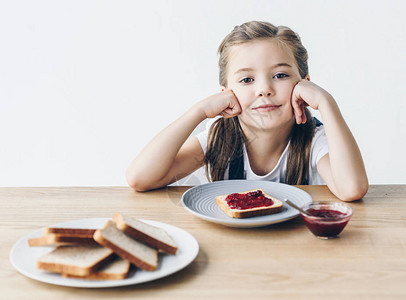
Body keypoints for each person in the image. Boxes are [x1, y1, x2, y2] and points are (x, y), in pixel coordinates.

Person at [126, 21, 368, 201]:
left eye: (280, 75)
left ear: (304, 85)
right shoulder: (218, 137)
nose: (264, 89)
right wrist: (197, 112)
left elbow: (352, 189)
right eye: (246, 80)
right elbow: (140, 178)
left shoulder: (314, 140)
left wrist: (327, 103)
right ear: (226, 94)